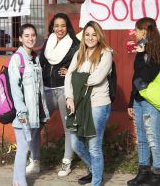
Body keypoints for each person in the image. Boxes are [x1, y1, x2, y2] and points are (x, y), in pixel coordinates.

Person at [64, 21, 113, 186]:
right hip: (78, 103)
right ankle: (94, 169)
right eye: (87, 34)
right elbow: (69, 76)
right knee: (76, 144)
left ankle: (96, 182)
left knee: (94, 146)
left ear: (99, 36)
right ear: (83, 37)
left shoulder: (105, 54)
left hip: (98, 104)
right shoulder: (78, 54)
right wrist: (69, 97)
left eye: (94, 34)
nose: (90, 38)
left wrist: (79, 78)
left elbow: (97, 78)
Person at [127, 17, 160, 186]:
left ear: (143, 31)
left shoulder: (158, 51)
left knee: (153, 137)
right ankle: (143, 172)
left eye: (136, 30)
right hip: (139, 100)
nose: (134, 33)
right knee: (142, 137)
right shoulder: (141, 50)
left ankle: (158, 175)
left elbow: (149, 76)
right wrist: (131, 102)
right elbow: (136, 78)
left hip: (151, 101)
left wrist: (143, 52)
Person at [38, 13, 80, 177]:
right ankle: (35, 159)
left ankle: (67, 161)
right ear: (52, 27)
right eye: (56, 26)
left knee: (68, 128)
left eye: (63, 25)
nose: (59, 29)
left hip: (64, 91)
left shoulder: (75, 44)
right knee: (36, 124)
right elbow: (41, 63)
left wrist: (71, 71)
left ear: (67, 26)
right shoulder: (48, 42)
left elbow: (83, 65)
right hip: (46, 91)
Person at [10, 23, 50, 186]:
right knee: (23, 148)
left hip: (34, 113)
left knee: (25, 146)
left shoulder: (35, 58)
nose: (30, 38)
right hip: (23, 114)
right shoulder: (17, 59)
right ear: (20, 38)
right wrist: (22, 112)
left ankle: (16, 181)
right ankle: (20, 182)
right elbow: (15, 89)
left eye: (33, 35)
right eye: (26, 36)